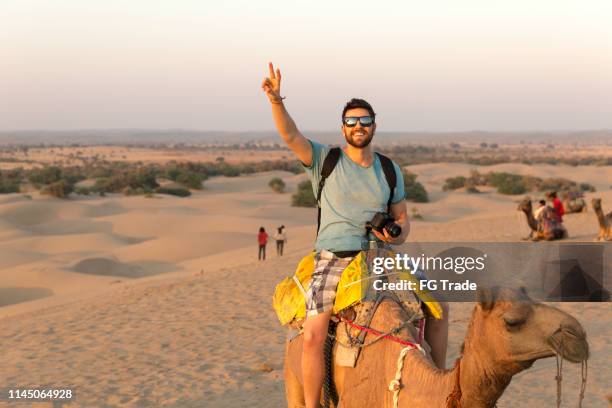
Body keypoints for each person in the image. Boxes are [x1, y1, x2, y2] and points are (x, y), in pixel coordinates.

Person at [262, 62, 449, 408]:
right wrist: (276, 100)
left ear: (374, 126)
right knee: (315, 334)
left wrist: (395, 234)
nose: (358, 126)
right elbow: (290, 136)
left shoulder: (389, 169)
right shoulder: (324, 159)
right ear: (343, 127)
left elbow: (403, 219)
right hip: (335, 258)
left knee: (439, 308)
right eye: (352, 121)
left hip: (380, 256)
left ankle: (434, 388)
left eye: (365, 120)